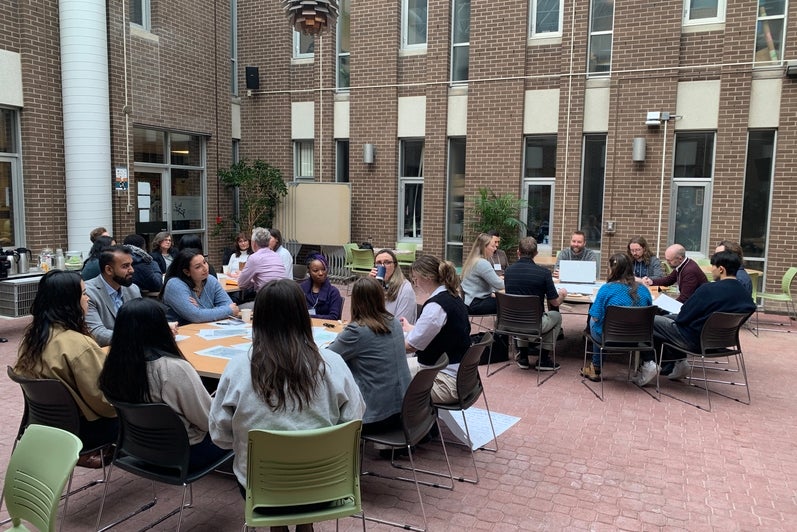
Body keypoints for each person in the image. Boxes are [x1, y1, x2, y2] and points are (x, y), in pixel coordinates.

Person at [208, 279, 365, 507]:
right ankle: (304, 524)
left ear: (257, 318)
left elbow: (220, 436)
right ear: (303, 316)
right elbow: (354, 420)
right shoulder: (334, 364)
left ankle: (279, 525)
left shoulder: (238, 368)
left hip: (262, 490)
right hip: (326, 485)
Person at [98, 298, 228, 469]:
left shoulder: (113, 366)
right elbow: (207, 421)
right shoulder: (172, 369)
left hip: (137, 449)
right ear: (158, 328)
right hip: (185, 454)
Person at [15, 270, 117, 467]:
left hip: (45, 426)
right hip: (84, 432)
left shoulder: (32, 337)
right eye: (84, 294)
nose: (88, 299)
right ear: (70, 302)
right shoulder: (79, 345)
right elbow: (105, 402)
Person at [634, 250, 757, 386]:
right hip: (720, 341)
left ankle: (649, 363)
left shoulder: (708, 289)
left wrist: (674, 319)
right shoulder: (744, 295)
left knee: (648, 320)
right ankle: (680, 363)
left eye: (713, 267)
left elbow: (683, 317)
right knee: (669, 318)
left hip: (693, 340)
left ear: (721, 269)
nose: (712, 271)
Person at [328, 277, 411, 433]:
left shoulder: (357, 331)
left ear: (356, 301)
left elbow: (328, 357)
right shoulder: (393, 322)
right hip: (402, 408)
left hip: (374, 416)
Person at [401, 255, 471, 404]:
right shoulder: (453, 296)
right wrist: (412, 328)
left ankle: (409, 425)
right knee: (396, 372)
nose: (415, 283)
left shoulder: (436, 306)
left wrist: (383, 345)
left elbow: (411, 346)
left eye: (415, 278)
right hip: (461, 376)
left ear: (427, 277)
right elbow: (445, 333)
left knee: (388, 385)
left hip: (446, 382)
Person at [581, 253, 653, 382]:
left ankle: (596, 367)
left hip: (610, 337)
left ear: (612, 269)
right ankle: (638, 367)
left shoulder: (606, 289)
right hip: (638, 337)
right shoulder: (644, 290)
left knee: (594, 322)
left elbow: (596, 317)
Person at [504, 237, 567, 371]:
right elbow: (554, 302)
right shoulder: (543, 273)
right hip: (534, 324)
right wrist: (562, 294)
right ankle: (543, 359)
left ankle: (523, 357)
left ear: (518, 252)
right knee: (556, 316)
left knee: (521, 312)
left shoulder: (508, 272)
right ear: (536, 254)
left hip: (511, 322)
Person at [161, 248, 239, 324]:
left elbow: (229, 305)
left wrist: (200, 310)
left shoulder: (211, 280)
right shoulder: (175, 285)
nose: (205, 268)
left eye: (204, 262)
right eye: (198, 267)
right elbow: (196, 316)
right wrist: (227, 311)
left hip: (206, 330)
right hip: (179, 332)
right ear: (187, 272)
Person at [85, 245, 142, 347]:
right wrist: (135, 337)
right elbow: (97, 333)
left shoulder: (133, 289)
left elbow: (142, 321)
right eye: (125, 266)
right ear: (109, 270)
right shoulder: (87, 293)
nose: (132, 270)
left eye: (131, 265)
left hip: (134, 350)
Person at [642, 243, 707, 303]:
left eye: (669, 260)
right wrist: (651, 282)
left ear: (680, 258)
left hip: (698, 305)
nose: (667, 263)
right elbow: (669, 280)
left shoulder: (689, 271)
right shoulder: (683, 264)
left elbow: (684, 298)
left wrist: (668, 306)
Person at [460, 233, 505, 315]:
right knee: (509, 303)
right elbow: (499, 285)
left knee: (501, 299)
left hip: (469, 302)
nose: (495, 249)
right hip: (476, 304)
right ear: (484, 247)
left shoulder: (473, 260)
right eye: (493, 246)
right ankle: (505, 327)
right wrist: (514, 284)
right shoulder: (482, 263)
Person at [369, 248, 417, 324]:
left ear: (395, 265)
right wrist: (369, 286)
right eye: (378, 263)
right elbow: (364, 313)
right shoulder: (377, 285)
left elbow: (401, 324)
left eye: (387, 262)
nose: (382, 266)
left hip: (394, 333)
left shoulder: (405, 289)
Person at [237, 227, 285, 292]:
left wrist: (253, 282)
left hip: (267, 298)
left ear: (254, 243)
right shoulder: (276, 255)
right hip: (284, 295)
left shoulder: (254, 258)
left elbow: (241, 284)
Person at [299, 254, 343, 320]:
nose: (320, 273)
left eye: (323, 269)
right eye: (315, 270)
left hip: (326, 328)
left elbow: (333, 317)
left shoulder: (333, 292)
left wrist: (309, 316)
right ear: (309, 272)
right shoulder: (301, 289)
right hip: (305, 327)